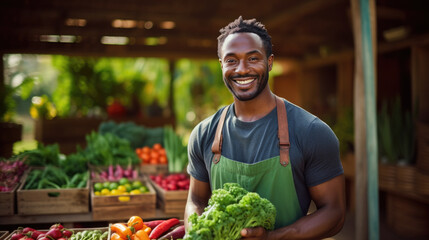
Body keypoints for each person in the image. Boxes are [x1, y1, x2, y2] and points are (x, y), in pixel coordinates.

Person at [185, 16, 346, 239]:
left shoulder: (311, 132)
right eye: (231, 60)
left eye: (253, 58)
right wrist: (197, 233)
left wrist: (273, 237)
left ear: (269, 62)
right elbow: (196, 200)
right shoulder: (204, 134)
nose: (242, 70)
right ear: (222, 65)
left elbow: (334, 213)